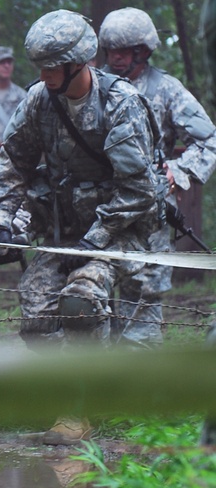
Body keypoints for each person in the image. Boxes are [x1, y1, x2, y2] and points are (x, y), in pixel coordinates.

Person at [0, 9, 163, 349]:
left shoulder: (120, 104)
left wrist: (93, 242)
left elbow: (138, 190)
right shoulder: (39, 99)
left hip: (117, 235)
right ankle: (60, 391)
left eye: (52, 67)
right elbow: (14, 163)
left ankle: (92, 388)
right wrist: (1, 221)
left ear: (78, 62)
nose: (45, 75)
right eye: (42, 66)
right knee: (36, 316)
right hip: (65, 234)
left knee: (80, 301)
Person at [99, 7, 216, 348]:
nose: (115, 58)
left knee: (144, 298)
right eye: (110, 51)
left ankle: (139, 384)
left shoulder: (167, 89)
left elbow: (209, 140)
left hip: (149, 214)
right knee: (90, 295)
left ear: (143, 51)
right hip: (97, 210)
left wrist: (178, 172)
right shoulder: (92, 85)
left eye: (123, 51)